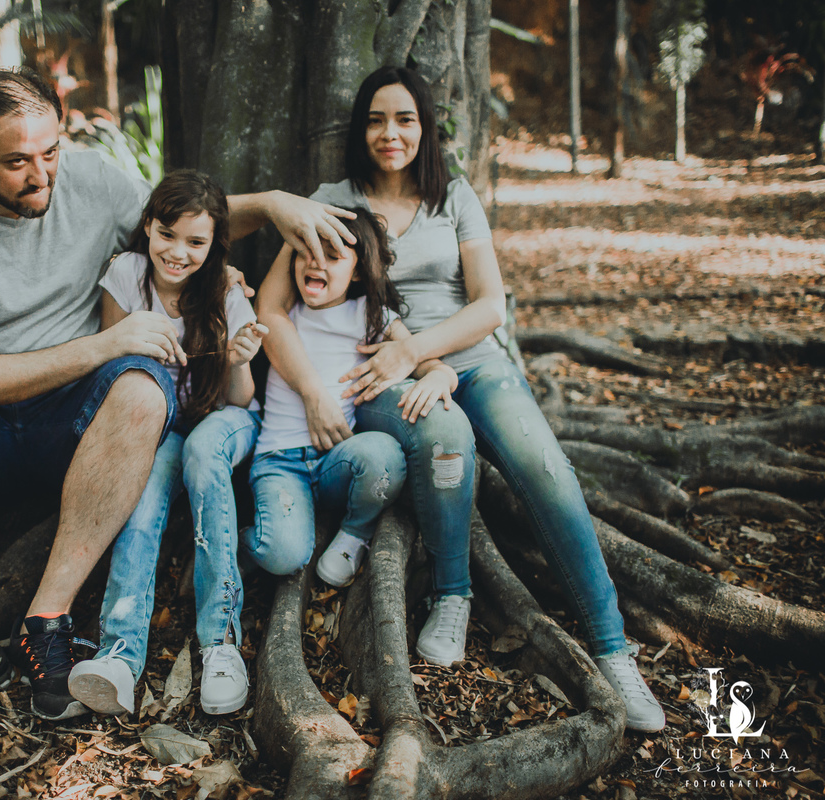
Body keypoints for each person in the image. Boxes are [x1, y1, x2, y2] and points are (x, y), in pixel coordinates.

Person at [0, 67, 358, 731]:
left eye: (50, 152)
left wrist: (273, 205)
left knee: (143, 386)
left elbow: (179, 224)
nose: (42, 175)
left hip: (76, 429)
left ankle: (46, 621)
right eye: (16, 162)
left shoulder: (91, 180)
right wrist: (104, 345)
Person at [256, 66, 666, 732]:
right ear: (359, 129)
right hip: (381, 370)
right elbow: (271, 307)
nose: (390, 133)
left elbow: (489, 306)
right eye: (376, 120)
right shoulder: (332, 201)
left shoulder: (453, 197)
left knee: (545, 468)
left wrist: (421, 352)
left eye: (405, 119)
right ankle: (454, 595)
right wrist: (365, 371)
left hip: (468, 361)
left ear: (425, 127)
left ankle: (612, 647)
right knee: (445, 436)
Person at [64, 170, 266, 718]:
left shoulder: (225, 290)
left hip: (224, 419)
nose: (178, 253)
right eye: (167, 234)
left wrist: (238, 360)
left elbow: (241, 399)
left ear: (214, 244)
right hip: (161, 428)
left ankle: (221, 644)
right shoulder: (128, 274)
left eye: (196, 242)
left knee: (203, 454)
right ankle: (119, 654)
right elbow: (111, 364)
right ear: (149, 226)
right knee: (145, 489)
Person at [247, 207, 455, 587]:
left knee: (383, 455)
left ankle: (354, 534)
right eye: (306, 251)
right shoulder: (285, 312)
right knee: (283, 556)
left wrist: (442, 374)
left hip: (337, 461)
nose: (316, 262)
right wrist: (298, 228)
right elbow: (267, 305)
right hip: (280, 463)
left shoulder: (371, 316)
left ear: (358, 271)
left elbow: (420, 358)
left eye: (332, 256)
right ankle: (247, 540)